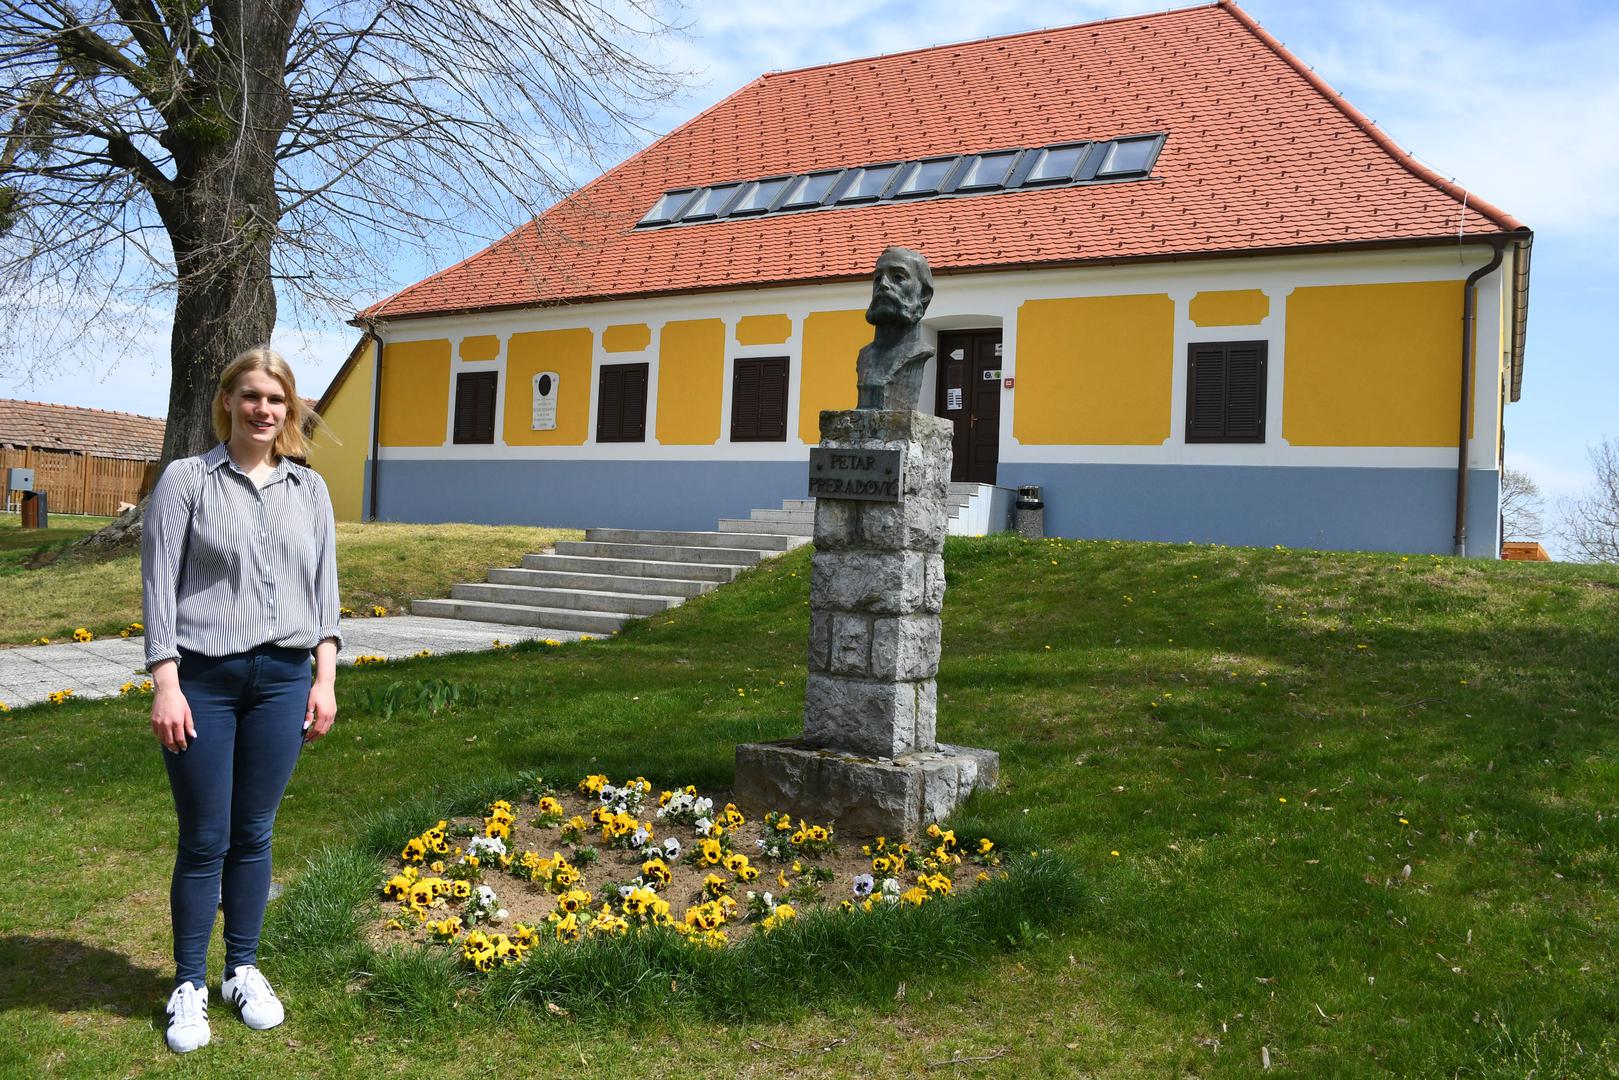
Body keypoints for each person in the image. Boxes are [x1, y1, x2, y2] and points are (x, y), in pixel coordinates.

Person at [141, 346, 341, 1053]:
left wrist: (325, 679)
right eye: (251, 395)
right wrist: (166, 682)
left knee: (254, 833)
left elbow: (325, 596)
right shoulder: (187, 480)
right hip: (203, 682)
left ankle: (242, 969)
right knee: (205, 837)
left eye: (276, 399)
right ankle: (189, 984)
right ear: (226, 399)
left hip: (284, 682)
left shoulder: (308, 490)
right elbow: (158, 586)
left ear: (289, 411)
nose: (263, 409)